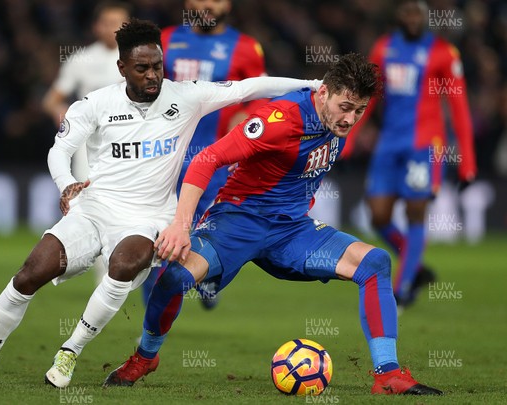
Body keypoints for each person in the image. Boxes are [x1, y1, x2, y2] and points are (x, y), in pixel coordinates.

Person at [0, 18, 321, 388]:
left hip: (150, 216)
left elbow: (248, 88)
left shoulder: (186, 96)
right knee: (28, 274)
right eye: (142, 68)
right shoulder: (94, 104)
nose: (153, 75)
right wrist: (67, 184)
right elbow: (60, 150)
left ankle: (70, 351)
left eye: (157, 66)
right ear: (122, 67)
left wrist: (311, 83)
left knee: (123, 265)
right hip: (95, 208)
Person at [105, 53, 443, 396]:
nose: (350, 119)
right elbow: (209, 158)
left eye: (359, 111)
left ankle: (387, 375)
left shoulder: (336, 119)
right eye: (345, 107)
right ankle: (145, 356)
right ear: (324, 93)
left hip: (293, 230)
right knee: (174, 277)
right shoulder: (280, 119)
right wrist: (181, 224)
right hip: (238, 222)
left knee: (375, 262)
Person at [342, 0, 477, 308]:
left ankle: (402, 290)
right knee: (378, 216)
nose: (412, 18)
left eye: (417, 12)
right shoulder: (384, 48)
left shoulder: (443, 53)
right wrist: (349, 140)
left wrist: (468, 163)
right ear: (397, 15)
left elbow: (459, 111)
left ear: (426, 16)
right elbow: (370, 98)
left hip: (425, 146)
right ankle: (414, 267)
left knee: (416, 212)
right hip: (389, 143)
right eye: (406, 12)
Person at [141, 0, 267, 309]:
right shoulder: (167, 40)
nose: (209, 4)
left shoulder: (247, 48)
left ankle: (206, 276)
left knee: (195, 235)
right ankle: (150, 324)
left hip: (215, 161)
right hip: (164, 155)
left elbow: (262, 97)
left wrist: (247, 115)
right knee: (151, 233)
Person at [42, 2, 131, 283]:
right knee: (94, 208)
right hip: (89, 150)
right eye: (107, 22)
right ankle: (105, 279)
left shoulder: (140, 57)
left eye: (119, 22)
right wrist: (68, 122)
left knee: (129, 208)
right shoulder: (81, 60)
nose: (113, 28)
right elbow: (52, 100)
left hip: (132, 145)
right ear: (97, 26)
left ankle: (128, 269)